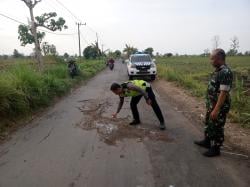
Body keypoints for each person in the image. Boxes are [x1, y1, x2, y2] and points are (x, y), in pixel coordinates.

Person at [194, 49, 233, 157]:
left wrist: (216, 109)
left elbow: (223, 93)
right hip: (212, 104)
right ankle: (207, 141)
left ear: (219, 59)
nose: (210, 61)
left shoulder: (226, 72)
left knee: (217, 125)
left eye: (212, 58)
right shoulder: (218, 70)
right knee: (208, 122)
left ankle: (216, 148)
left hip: (219, 105)